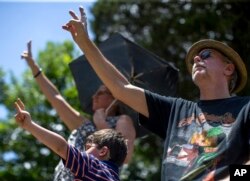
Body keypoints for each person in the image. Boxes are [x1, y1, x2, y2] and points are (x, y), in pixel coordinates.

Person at [62, 6, 250, 181]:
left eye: (206, 55)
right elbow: (121, 88)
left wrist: (227, 177)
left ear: (228, 68)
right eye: (194, 59)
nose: (197, 58)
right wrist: (85, 43)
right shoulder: (176, 110)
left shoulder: (245, 107)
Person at [20, 40, 136, 180]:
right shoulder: (85, 124)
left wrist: (100, 123)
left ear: (115, 98)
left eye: (101, 93)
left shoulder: (123, 120)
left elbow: (126, 156)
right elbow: (56, 98)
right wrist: (34, 67)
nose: (94, 96)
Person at [14, 98, 127, 181]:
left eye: (88, 148)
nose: (83, 152)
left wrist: (30, 125)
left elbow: (61, 147)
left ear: (103, 151)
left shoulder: (93, 166)